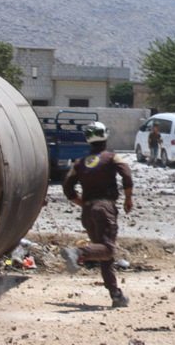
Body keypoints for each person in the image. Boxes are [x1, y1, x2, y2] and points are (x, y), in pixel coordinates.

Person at [60, 122, 134, 308]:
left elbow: (67, 187)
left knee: (104, 254)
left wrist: (83, 203)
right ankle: (78, 252)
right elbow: (127, 175)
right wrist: (128, 199)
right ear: (105, 137)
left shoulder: (79, 163)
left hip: (88, 212)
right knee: (108, 249)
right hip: (105, 208)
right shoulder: (112, 157)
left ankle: (116, 295)